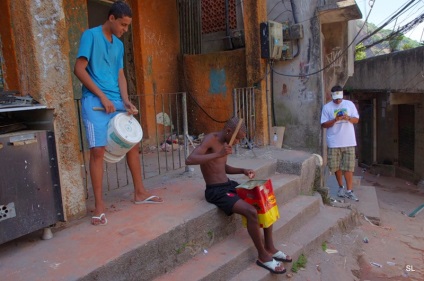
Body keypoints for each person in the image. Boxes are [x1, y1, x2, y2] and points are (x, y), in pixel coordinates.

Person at [74, 1, 163, 226]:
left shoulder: (119, 45)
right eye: (123, 25)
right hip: (94, 100)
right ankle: (99, 206)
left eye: (127, 26)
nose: (124, 29)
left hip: (115, 100)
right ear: (111, 18)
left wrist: (124, 100)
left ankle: (140, 192)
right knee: (97, 151)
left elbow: (120, 74)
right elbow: (79, 69)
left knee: (131, 142)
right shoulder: (90, 36)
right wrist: (102, 97)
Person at [185, 117, 291, 274]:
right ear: (228, 131)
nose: (236, 143)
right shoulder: (211, 139)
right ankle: (262, 255)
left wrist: (242, 170)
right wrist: (218, 154)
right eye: (237, 140)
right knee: (250, 211)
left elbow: (221, 166)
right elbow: (190, 159)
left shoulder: (225, 143)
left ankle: (269, 246)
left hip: (228, 184)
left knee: (263, 199)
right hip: (216, 191)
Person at [321, 85, 360, 201]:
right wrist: (335, 120)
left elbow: (356, 120)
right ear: (332, 96)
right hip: (334, 142)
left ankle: (349, 190)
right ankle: (340, 187)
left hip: (348, 141)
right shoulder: (327, 107)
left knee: (349, 166)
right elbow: (323, 124)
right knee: (336, 166)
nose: (338, 100)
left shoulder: (349, 105)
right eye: (336, 98)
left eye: (340, 98)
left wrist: (348, 118)